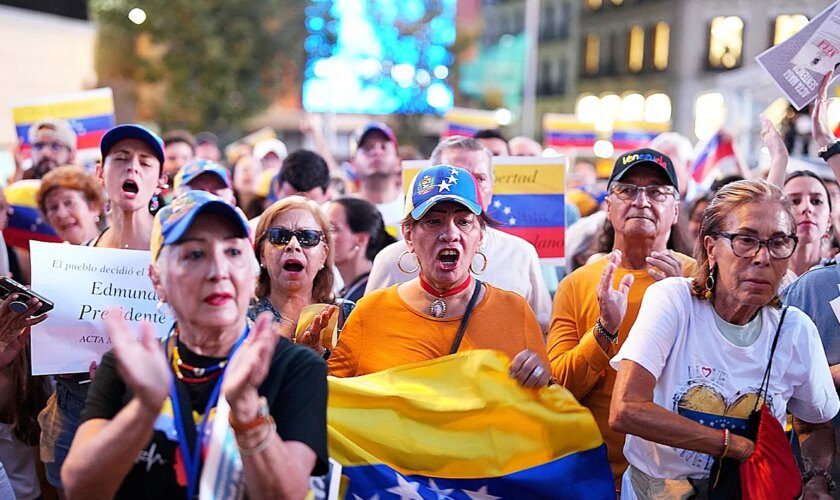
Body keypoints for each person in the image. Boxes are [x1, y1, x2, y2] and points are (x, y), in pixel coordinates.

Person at [61, 191, 328, 498]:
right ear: (157, 279)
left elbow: (288, 493)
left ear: (252, 270)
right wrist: (144, 409)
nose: (219, 271)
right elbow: (79, 487)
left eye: (232, 252)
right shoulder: (128, 367)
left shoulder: (293, 366)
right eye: (195, 255)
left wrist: (246, 411)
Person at [610, 179, 838, 498]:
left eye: (778, 243)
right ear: (711, 248)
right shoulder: (675, 301)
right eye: (746, 240)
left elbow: (815, 424)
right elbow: (626, 408)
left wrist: (816, 480)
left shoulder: (795, 330)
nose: (762, 258)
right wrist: (734, 446)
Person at [302, 165, 548, 388]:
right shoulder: (370, 312)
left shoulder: (514, 312)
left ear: (480, 236)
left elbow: (548, 405)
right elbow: (334, 402)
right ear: (408, 235)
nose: (450, 234)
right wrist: (309, 361)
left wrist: (538, 378)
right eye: (433, 221)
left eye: (463, 222)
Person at [548, 148, 694, 489]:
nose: (641, 200)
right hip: (595, 475)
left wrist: (686, 306)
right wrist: (605, 330)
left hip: (680, 477)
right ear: (608, 206)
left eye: (656, 192)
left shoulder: (701, 280)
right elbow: (558, 387)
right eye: (627, 190)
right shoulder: (577, 284)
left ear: (675, 210)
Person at [38, 124, 167, 495]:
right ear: (100, 172)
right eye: (121, 159)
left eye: (145, 162)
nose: (133, 169)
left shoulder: (176, 260)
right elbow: (54, 348)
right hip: (78, 407)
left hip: (153, 411)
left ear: (160, 180)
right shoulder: (73, 262)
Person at [365, 136, 552, 332]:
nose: (466, 188)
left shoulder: (521, 254)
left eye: (478, 178)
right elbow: (370, 332)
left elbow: (542, 332)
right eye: (455, 176)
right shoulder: (390, 260)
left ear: (492, 186)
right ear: (409, 235)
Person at [249, 195, 334, 328]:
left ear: (324, 254)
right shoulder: (243, 322)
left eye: (307, 237)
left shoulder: (346, 316)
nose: (293, 245)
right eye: (279, 236)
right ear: (262, 255)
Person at [328, 196, 396, 304]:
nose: (323, 236)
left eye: (332, 229)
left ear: (361, 239)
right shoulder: (347, 290)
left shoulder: (373, 293)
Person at [352, 123, 403, 233]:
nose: (376, 152)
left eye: (383, 147)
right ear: (353, 164)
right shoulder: (340, 213)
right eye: (367, 148)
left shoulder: (415, 210)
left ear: (398, 162)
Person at [37, 166, 105, 245]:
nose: (61, 214)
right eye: (53, 207)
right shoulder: (50, 256)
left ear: (94, 206)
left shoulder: (116, 248)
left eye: (68, 203)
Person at [783, 170, 833, 277]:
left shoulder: (836, 274)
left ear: (829, 219)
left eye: (816, 201)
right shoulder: (764, 276)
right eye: (795, 201)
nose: (807, 207)